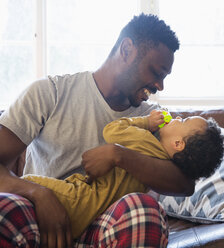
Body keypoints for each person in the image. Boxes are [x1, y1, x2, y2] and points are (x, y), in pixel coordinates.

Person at [0, 14, 194, 248]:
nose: (160, 86)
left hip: (105, 229)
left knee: (144, 210)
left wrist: (119, 155)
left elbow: (184, 184)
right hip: (42, 222)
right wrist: (39, 194)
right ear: (126, 50)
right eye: (156, 72)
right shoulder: (50, 92)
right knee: (5, 207)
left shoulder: (153, 118)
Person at [22, 109, 224, 239]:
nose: (178, 117)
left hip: (79, 200)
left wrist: (146, 122)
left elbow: (112, 130)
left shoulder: (145, 141)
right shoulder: (162, 165)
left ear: (178, 144)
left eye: (183, 121)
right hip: (93, 219)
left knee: (25, 182)